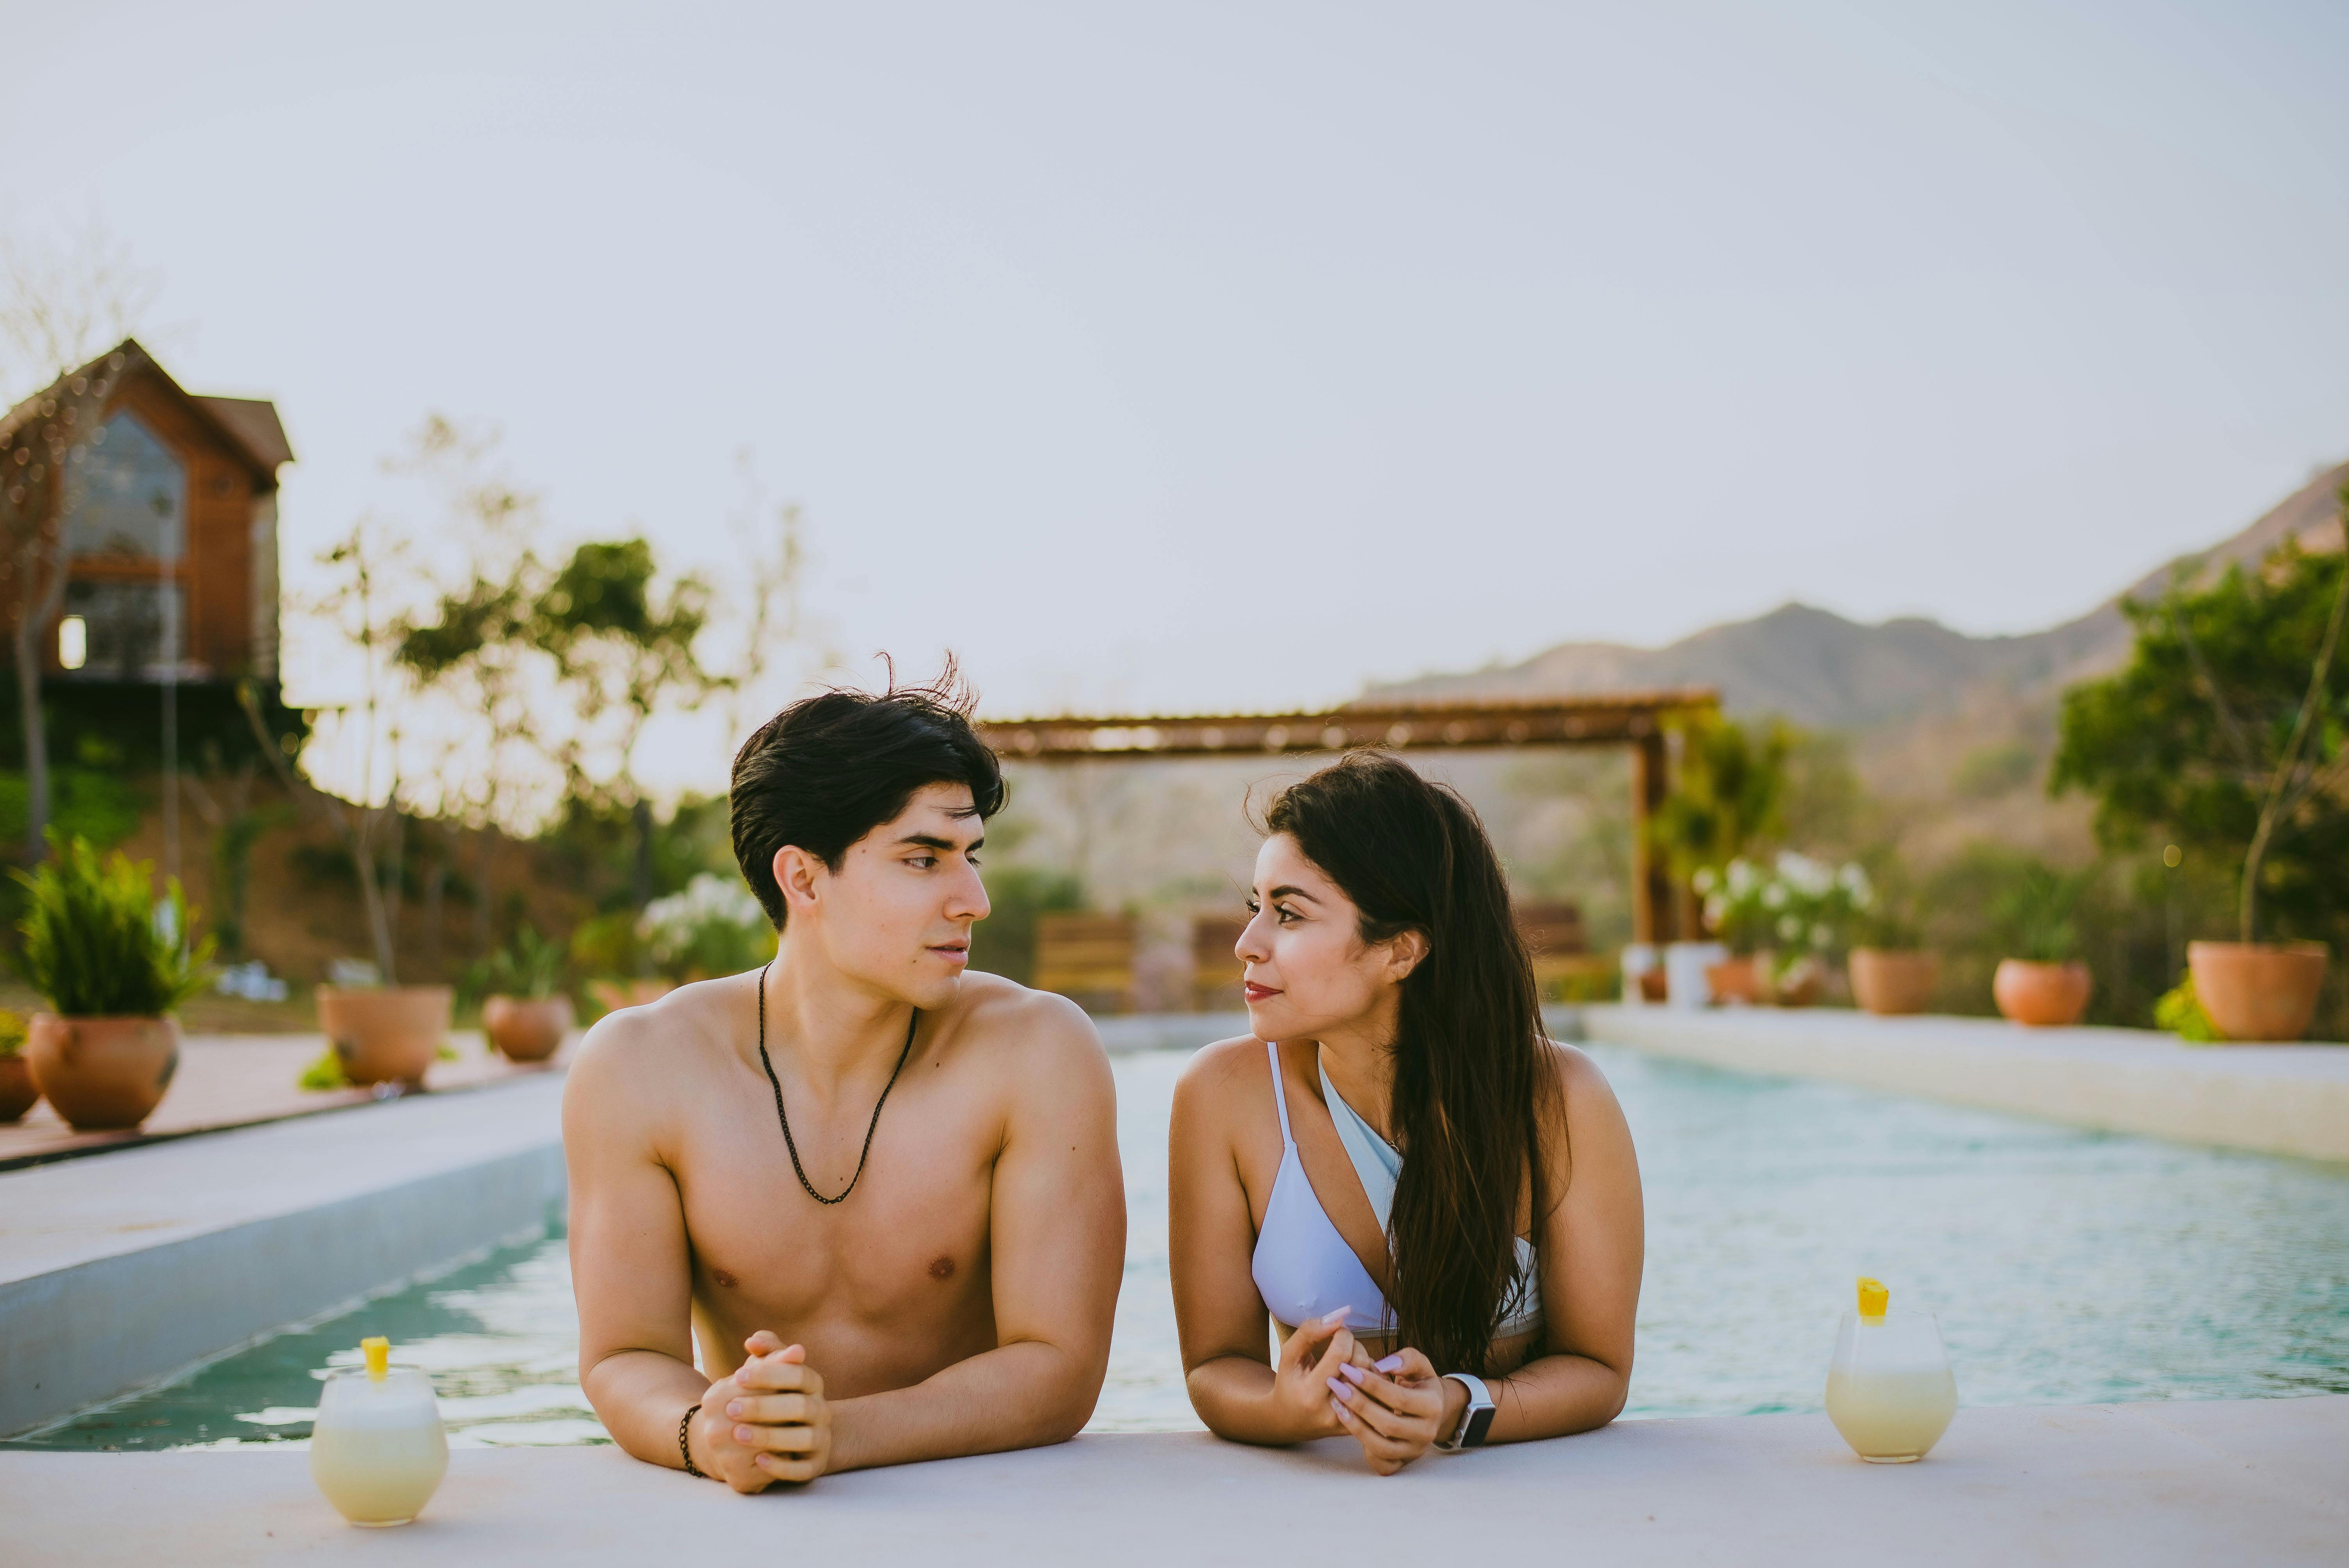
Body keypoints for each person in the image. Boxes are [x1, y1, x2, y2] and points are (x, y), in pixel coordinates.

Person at [565, 672, 1125, 1492]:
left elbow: (1059, 1366)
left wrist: (831, 1436)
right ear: (802, 878)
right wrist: (704, 1433)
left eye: (970, 857)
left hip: (978, 1506)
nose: (974, 900)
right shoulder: (642, 1068)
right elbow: (626, 1354)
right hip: (762, 1524)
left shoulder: (1037, 1051)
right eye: (923, 859)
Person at [1169, 750, 1643, 1474]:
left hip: (1516, 1498)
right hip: (1327, 1502)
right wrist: (1280, 1410)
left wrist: (1456, 1407)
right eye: (1254, 908)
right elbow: (1215, 1366)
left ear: (1400, 951)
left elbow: (1600, 1369)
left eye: (1288, 914)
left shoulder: (1560, 1100)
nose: (1247, 944)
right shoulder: (1222, 1096)